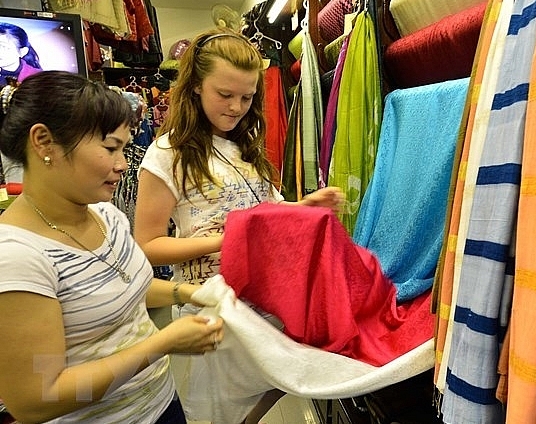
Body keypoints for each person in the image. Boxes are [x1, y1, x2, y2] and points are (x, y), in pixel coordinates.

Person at [133, 28, 344, 423]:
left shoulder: (245, 147)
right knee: (219, 414)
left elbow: (267, 214)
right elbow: (147, 246)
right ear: (196, 86)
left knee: (275, 387)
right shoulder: (168, 154)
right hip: (214, 310)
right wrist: (226, 240)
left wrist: (303, 206)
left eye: (246, 97)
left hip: (265, 302)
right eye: (225, 94)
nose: (236, 108)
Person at [0, 71, 224, 424]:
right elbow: (37, 400)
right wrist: (161, 344)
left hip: (161, 404)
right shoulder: (17, 257)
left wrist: (188, 292)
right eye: (110, 148)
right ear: (43, 142)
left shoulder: (107, 216)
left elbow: (120, 288)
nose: (123, 164)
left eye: (123, 148)